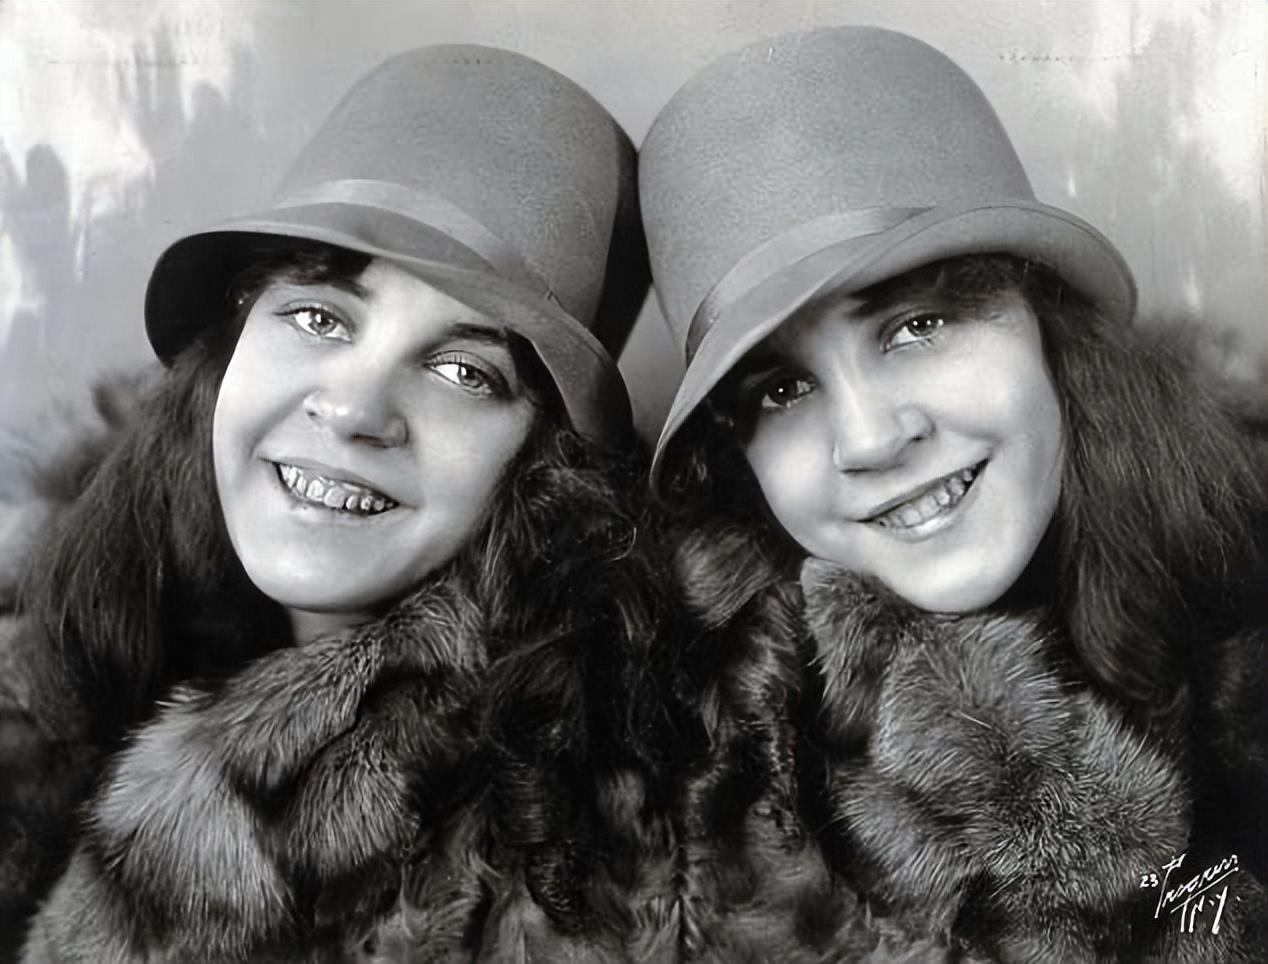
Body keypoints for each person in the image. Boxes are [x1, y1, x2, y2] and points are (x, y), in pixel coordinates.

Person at [3, 45, 673, 962]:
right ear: (233, 343)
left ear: (545, 470)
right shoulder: (50, 639)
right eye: (319, 317)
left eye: (464, 371)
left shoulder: (562, 855)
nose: (355, 410)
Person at [640, 26, 1268, 961]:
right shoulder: (747, 780)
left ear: (1046, 324)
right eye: (782, 389)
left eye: (917, 326)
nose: (868, 438)